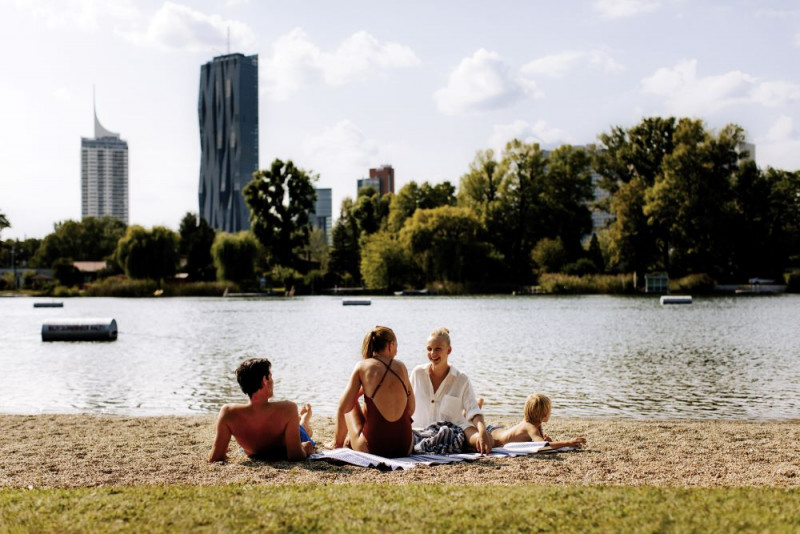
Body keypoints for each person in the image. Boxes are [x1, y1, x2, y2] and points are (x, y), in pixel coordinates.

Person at [330, 326, 415, 458]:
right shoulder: (402, 367)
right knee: (369, 403)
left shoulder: (362, 366)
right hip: (405, 447)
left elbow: (344, 408)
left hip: (373, 449)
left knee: (350, 404)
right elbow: (411, 409)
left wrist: (358, 394)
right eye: (397, 346)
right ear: (390, 345)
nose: (396, 352)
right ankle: (351, 440)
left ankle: (337, 445)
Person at [208, 358, 314, 462]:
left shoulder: (228, 412)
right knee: (303, 430)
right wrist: (305, 447)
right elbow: (296, 456)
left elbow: (215, 458)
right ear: (265, 380)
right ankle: (304, 421)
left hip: (254, 448)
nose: (272, 381)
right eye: (271, 377)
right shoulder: (288, 408)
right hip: (290, 438)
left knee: (298, 423)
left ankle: (303, 420)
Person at [409, 327, 493, 454]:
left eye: (438, 349)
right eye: (429, 349)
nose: (432, 353)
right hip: (419, 431)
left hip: (453, 433)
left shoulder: (461, 379)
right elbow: (405, 404)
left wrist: (482, 431)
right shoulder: (418, 373)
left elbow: (473, 410)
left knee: (486, 440)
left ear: (449, 350)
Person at [489, 392, 586, 449]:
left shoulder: (536, 424)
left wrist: (550, 441)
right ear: (544, 415)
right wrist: (568, 442)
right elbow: (542, 446)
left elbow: (543, 442)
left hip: (497, 430)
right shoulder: (531, 427)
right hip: (490, 434)